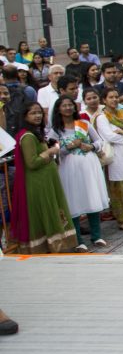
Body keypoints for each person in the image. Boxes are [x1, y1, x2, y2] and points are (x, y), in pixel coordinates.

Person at [5, 100, 78, 254]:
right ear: (24, 116)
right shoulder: (27, 137)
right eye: (33, 113)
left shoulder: (36, 133)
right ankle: (52, 246)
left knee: (53, 210)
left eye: (39, 112)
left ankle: (57, 245)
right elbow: (31, 162)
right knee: (47, 211)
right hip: (38, 183)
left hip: (46, 181)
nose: (38, 116)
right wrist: (50, 152)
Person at [46, 96, 109, 250]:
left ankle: (97, 235)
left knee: (91, 197)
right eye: (64, 105)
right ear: (58, 109)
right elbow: (52, 152)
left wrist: (92, 147)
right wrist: (68, 147)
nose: (68, 108)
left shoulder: (84, 124)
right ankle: (78, 239)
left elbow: (99, 141)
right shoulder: (56, 131)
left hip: (88, 166)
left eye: (70, 105)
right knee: (73, 201)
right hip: (69, 169)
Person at [93, 87, 123, 231]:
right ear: (104, 100)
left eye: (116, 96)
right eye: (111, 97)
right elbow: (110, 136)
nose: (114, 99)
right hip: (117, 156)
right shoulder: (102, 117)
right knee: (119, 188)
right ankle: (122, 220)